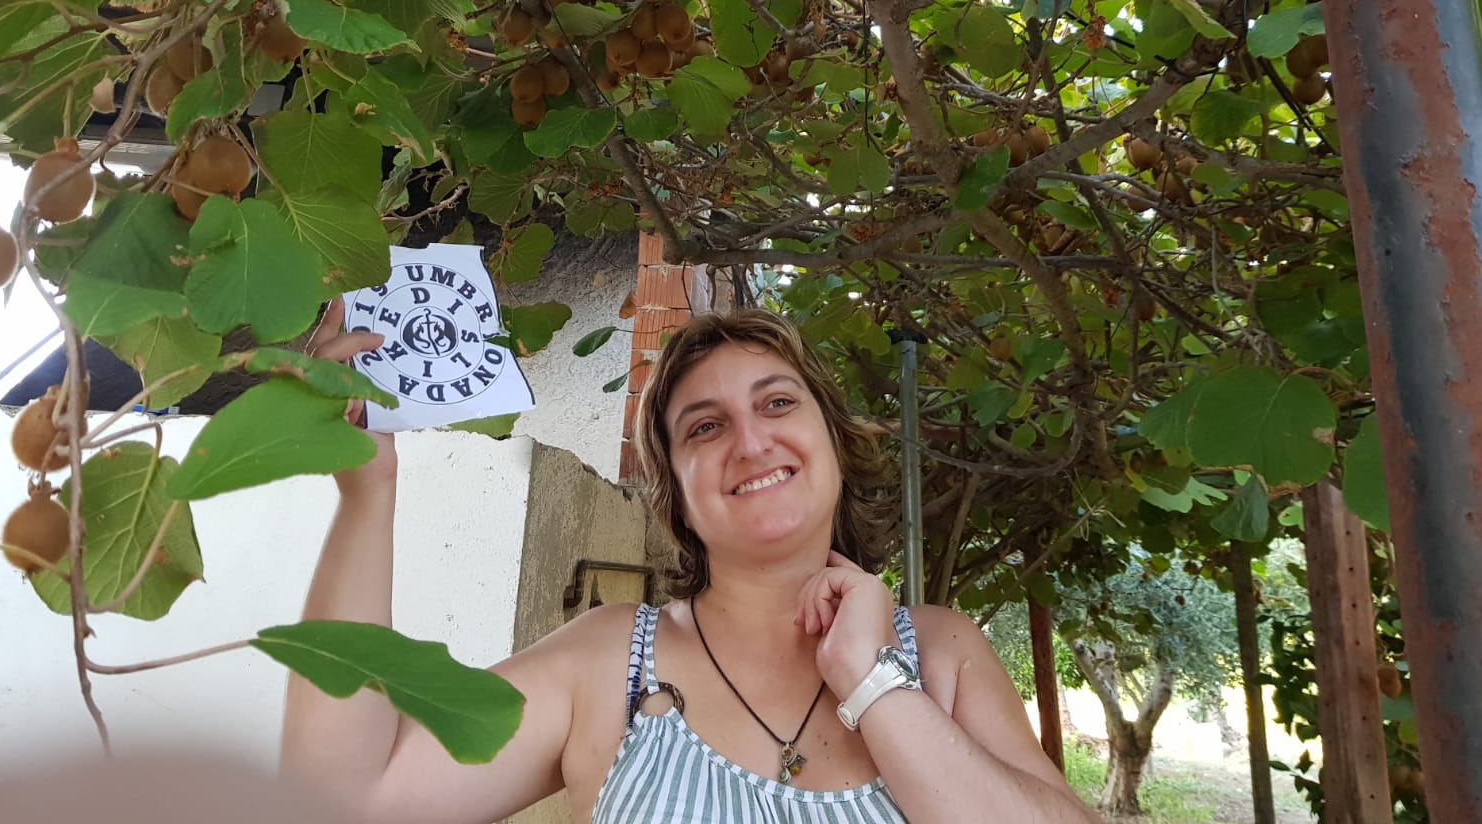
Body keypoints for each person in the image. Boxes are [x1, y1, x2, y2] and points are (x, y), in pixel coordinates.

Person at [286, 305, 1096, 823]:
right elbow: (346, 802)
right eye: (704, 427)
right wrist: (367, 494)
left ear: (835, 446)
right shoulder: (604, 662)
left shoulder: (943, 655)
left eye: (778, 403)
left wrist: (876, 683)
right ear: (674, 490)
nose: (750, 441)